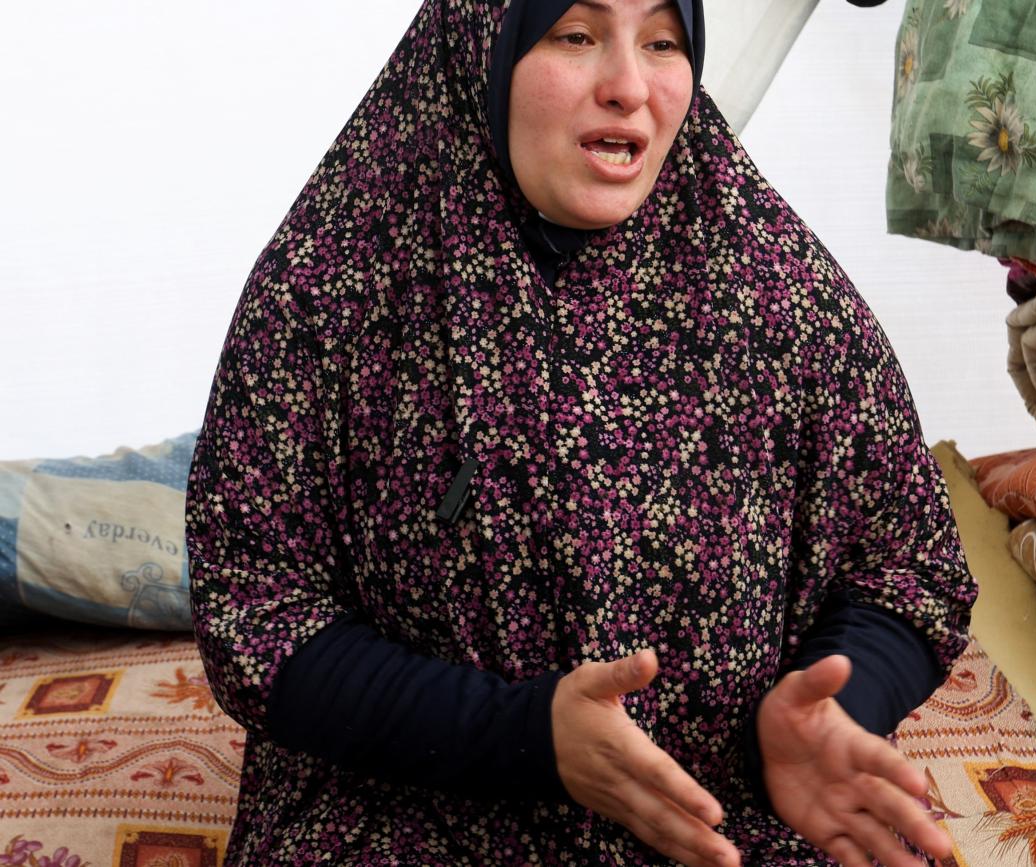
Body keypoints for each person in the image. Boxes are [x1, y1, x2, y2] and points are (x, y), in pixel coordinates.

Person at [185, 0, 978, 864]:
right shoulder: (331, 288)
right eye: (577, 35)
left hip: (717, 812)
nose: (630, 87)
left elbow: (911, 563)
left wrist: (836, 707)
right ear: (483, 49)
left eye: (662, 42)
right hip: (406, 809)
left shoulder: (778, 290)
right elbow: (255, 614)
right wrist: (522, 734)